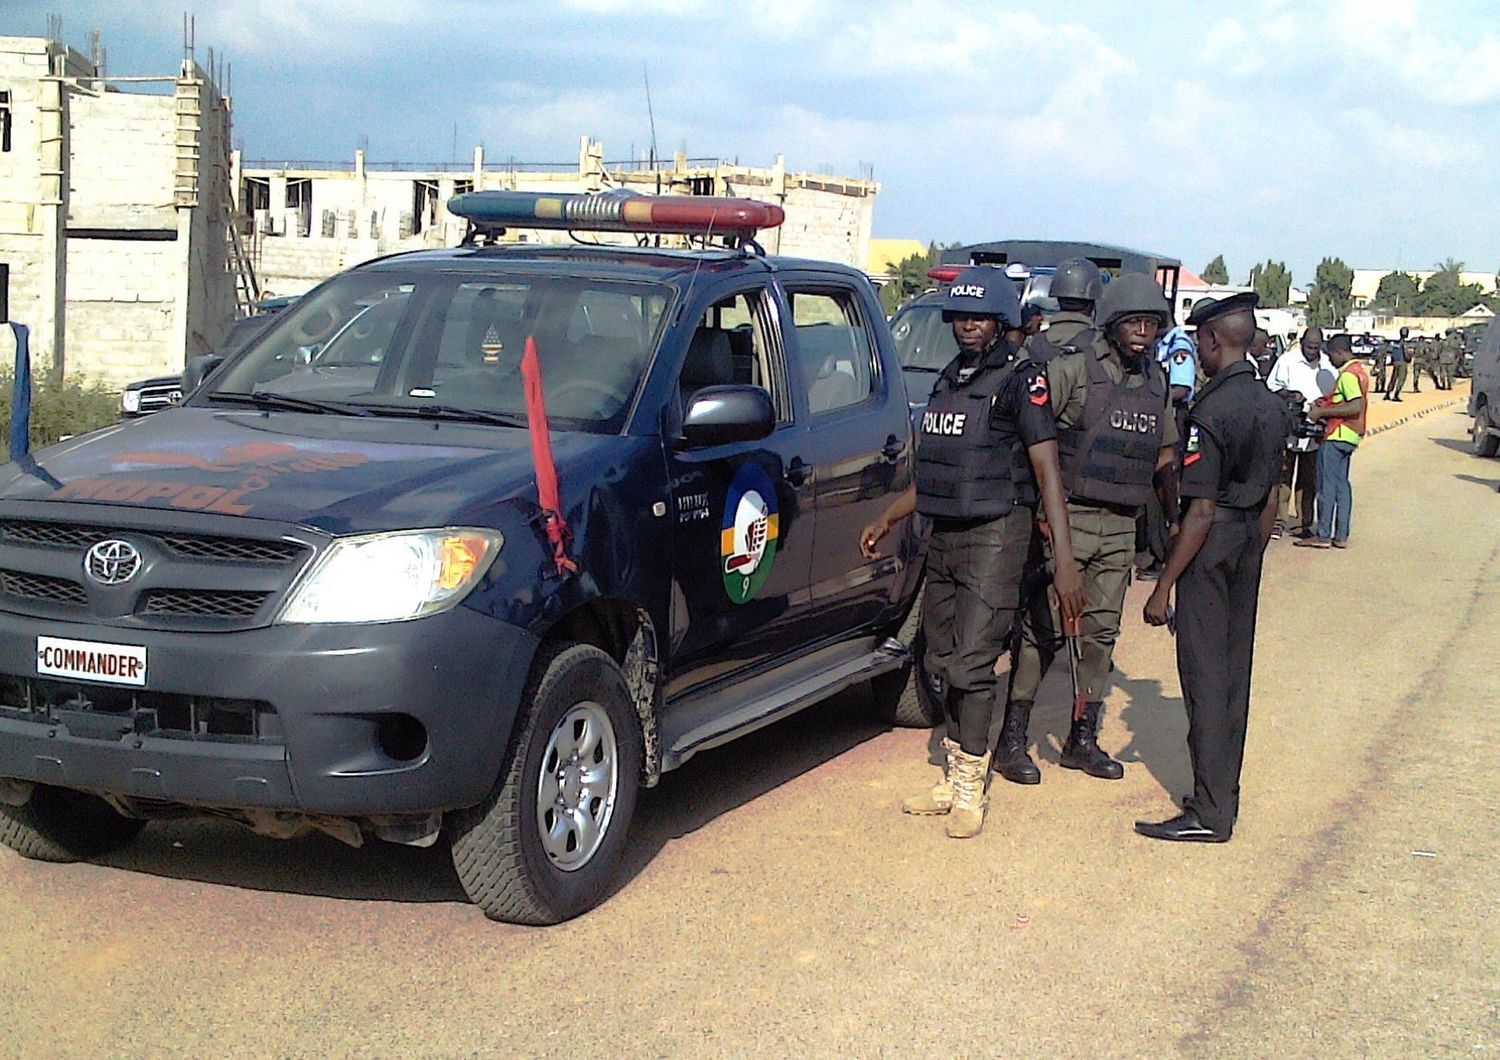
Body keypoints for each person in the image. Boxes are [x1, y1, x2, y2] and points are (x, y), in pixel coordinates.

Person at [861, 268, 1084, 838]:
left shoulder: (1020, 381)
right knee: (936, 659)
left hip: (998, 533)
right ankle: (953, 770)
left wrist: (1063, 560)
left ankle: (969, 787)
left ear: (1003, 320)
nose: (967, 326)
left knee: (971, 663)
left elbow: (1047, 469)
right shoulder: (949, 381)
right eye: (960, 316)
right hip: (948, 535)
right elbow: (942, 471)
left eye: (979, 316)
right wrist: (888, 516)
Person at [999, 273, 1180, 786]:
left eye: (1152, 324)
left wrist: (1172, 520)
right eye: (1134, 323)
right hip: (1068, 520)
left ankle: (1083, 738)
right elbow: (1030, 434)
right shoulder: (1073, 371)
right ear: (1113, 324)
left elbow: (1164, 455)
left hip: (1122, 526)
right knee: (1043, 633)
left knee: (1100, 635)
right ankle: (1012, 741)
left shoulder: (1157, 382)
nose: (1143, 332)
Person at [1137, 292, 1289, 842]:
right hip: (1248, 541)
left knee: (1203, 679)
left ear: (1213, 340)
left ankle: (1207, 813)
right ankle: (1222, 795)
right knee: (1232, 680)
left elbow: (1198, 513)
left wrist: (1162, 590)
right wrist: (1253, 550)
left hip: (1212, 541)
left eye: (1200, 340)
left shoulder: (1210, 410)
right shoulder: (1271, 405)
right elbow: (1272, 496)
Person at [1137, 317, 1199, 580]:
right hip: (1161, 416)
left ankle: (1160, 554)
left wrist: (1152, 399)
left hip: (1172, 418)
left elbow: (1181, 387)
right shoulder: (1164, 342)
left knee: (1163, 485)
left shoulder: (1178, 344)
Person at [1295, 333, 1368, 549]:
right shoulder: (1360, 371)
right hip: (1351, 435)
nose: (1329, 360)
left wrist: (1321, 412)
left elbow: (1355, 406)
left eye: (1330, 355)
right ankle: (1341, 535)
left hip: (1337, 434)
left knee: (1326, 486)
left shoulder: (1347, 375)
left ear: (1339, 352)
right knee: (1342, 486)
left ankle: (1324, 534)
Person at [1265, 327, 1334, 538]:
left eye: (1316, 347)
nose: (1312, 351)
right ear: (1302, 342)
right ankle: (1278, 522)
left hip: (1315, 430)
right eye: (1308, 347)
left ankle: (1304, 523)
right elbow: (1271, 387)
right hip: (1289, 428)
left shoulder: (1328, 366)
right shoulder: (1287, 361)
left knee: (1308, 480)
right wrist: (1291, 395)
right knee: (1283, 476)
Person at [1384, 326, 1410, 401]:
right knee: (1401, 379)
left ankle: (1388, 394)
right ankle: (1396, 395)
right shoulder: (1405, 344)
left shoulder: (1395, 344)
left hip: (1396, 363)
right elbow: (1406, 355)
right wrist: (1409, 358)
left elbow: (1391, 353)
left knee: (1393, 379)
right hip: (1402, 363)